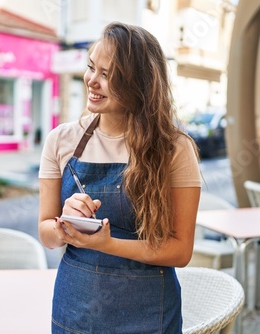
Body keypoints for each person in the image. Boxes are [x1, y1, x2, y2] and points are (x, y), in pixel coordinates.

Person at [38, 21, 201, 333]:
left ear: (138, 84)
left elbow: (180, 251)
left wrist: (107, 244)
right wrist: (64, 225)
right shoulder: (61, 141)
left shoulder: (175, 149)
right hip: (75, 310)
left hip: (150, 315)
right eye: (91, 68)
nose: (92, 81)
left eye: (108, 75)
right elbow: (46, 232)